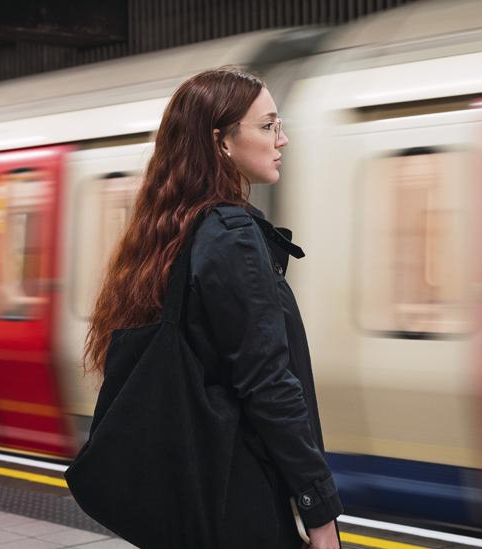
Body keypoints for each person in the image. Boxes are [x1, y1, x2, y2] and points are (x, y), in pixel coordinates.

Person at [84, 67, 343, 549]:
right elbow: (267, 380)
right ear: (220, 140)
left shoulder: (173, 231)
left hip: (199, 489)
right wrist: (319, 508)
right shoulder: (231, 236)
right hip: (239, 499)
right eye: (267, 126)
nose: (282, 139)